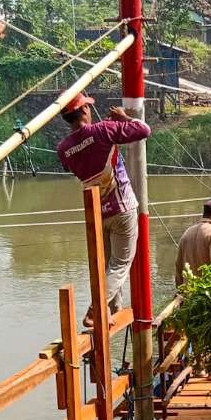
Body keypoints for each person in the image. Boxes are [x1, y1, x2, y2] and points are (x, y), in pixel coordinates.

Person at [57, 92, 151, 327]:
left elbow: (73, 168)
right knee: (120, 264)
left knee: (107, 265)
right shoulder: (103, 130)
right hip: (122, 207)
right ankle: (96, 309)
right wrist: (123, 117)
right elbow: (144, 130)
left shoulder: (63, 149)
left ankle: (111, 309)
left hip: (97, 213)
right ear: (85, 110)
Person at [175, 200, 211, 286]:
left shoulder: (187, 232)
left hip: (188, 292)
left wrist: (180, 290)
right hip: (206, 293)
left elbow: (178, 266)